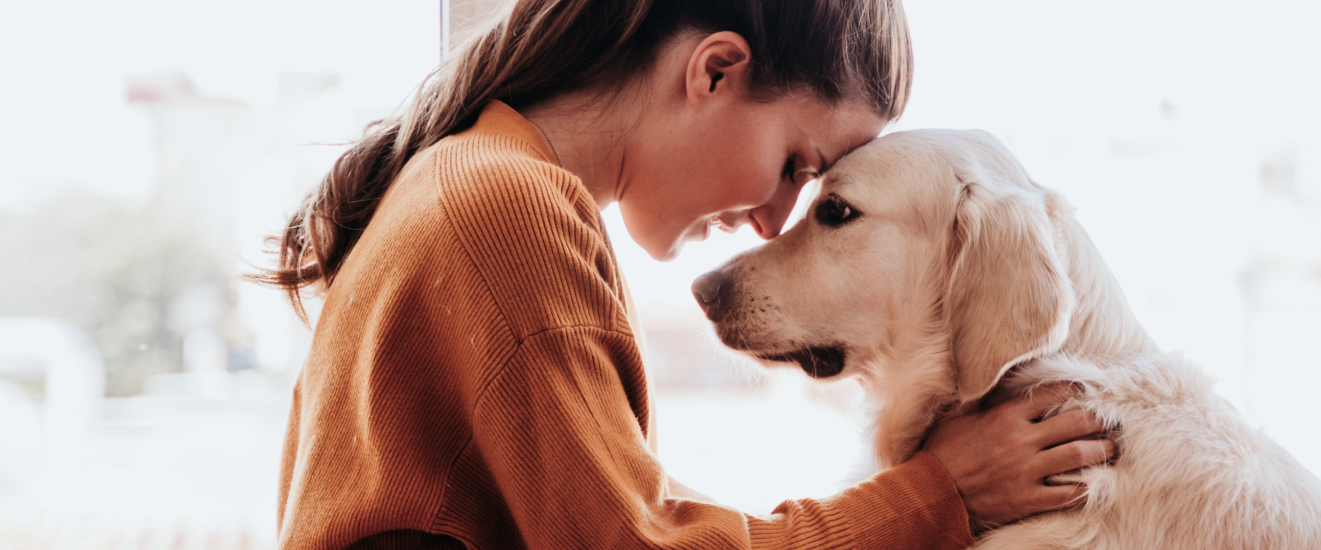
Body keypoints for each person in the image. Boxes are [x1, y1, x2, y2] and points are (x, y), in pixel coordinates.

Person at [257, 1, 1115, 548]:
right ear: (712, 71)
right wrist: (942, 494)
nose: (773, 221)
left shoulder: (469, 179)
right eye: (793, 165)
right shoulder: (503, 213)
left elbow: (623, 514)